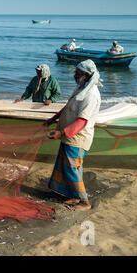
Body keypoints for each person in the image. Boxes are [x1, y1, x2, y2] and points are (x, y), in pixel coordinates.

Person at [44, 59, 102, 211]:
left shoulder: (91, 95)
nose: (75, 75)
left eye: (78, 73)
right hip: (69, 136)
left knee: (71, 168)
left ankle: (84, 202)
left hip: (78, 138)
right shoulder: (82, 88)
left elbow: (82, 121)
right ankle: (73, 196)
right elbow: (68, 107)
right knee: (64, 166)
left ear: (86, 75)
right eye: (76, 73)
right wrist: (53, 119)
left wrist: (61, 132)